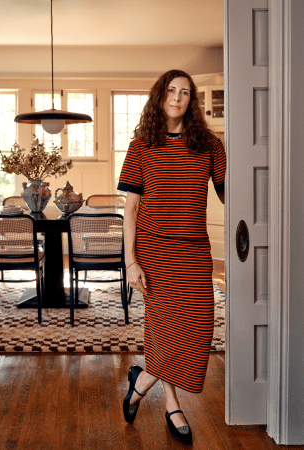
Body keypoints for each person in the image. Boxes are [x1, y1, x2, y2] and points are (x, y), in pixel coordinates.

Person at [118, 69, 226, 445]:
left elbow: (234, 195)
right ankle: (172, 406)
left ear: (191, 100)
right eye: (171, 90)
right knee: (165, 329)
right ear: (160, 96)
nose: (177, 97)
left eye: (185, 92)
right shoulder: (142, 145)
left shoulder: (210, 145)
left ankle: (141, 382)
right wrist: (130, 262)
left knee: (197, 322)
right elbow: (130, 209)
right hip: (154, 251)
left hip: (194, 251)